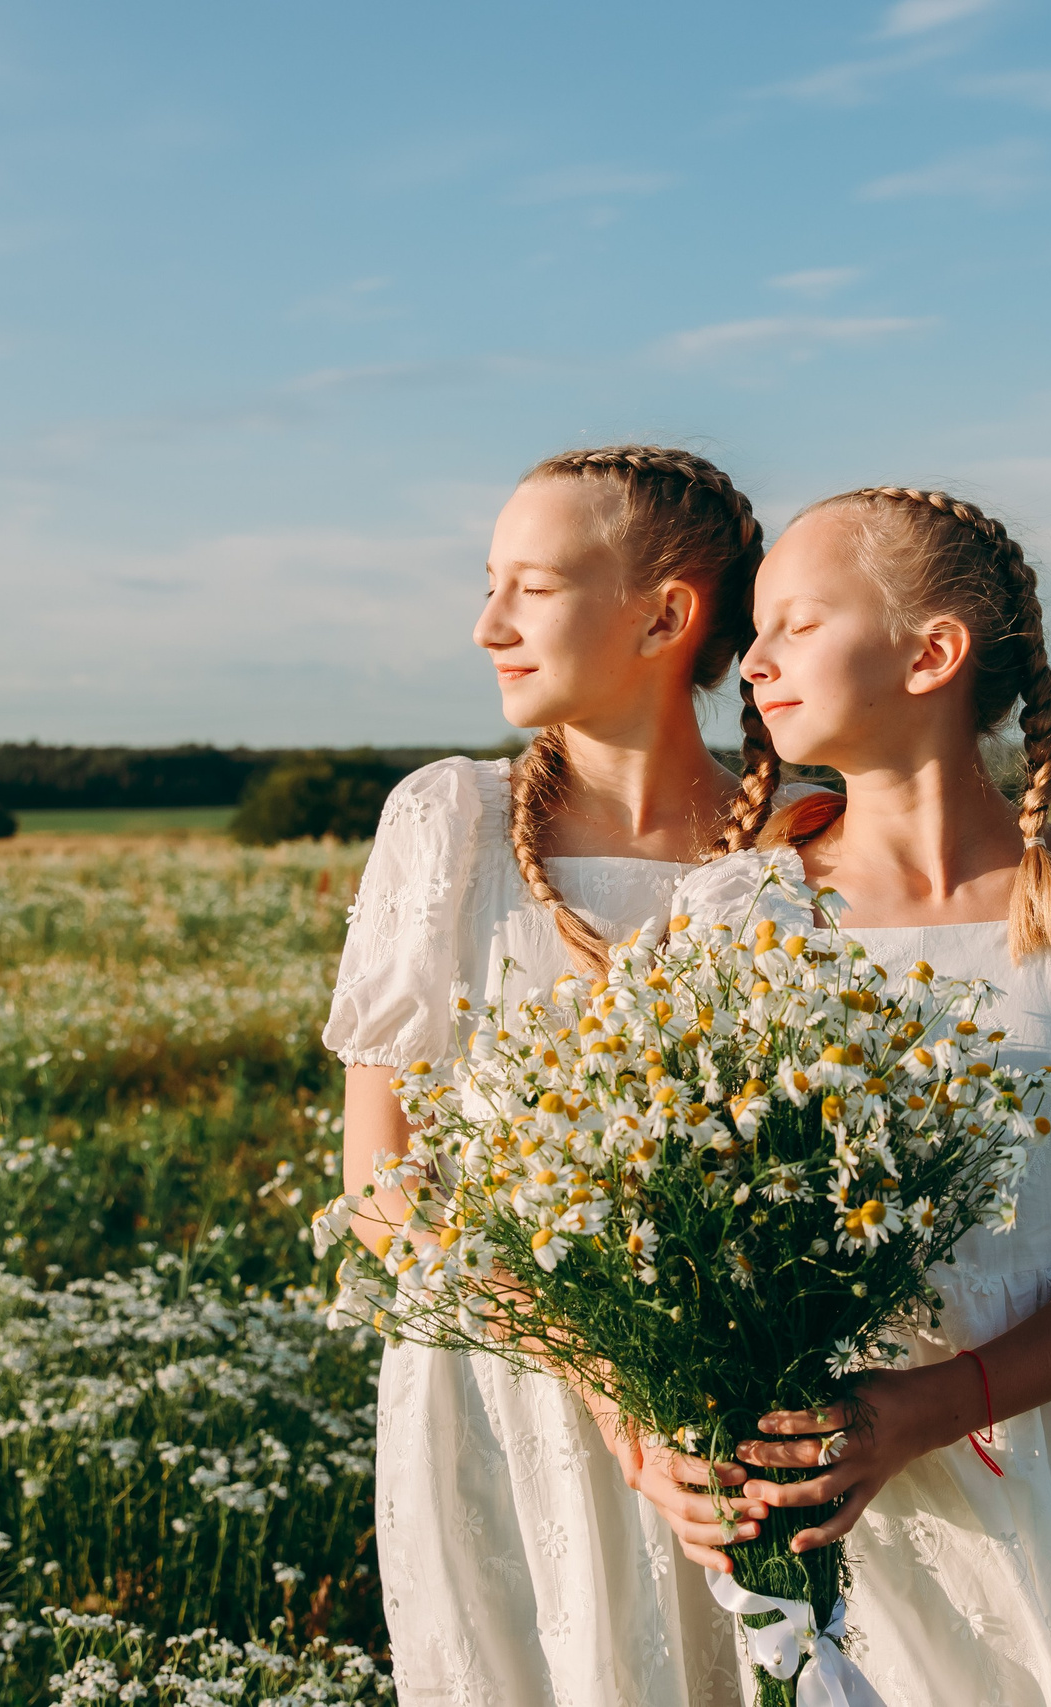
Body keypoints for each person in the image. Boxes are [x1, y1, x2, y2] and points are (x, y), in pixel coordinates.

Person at [646, 486, 1051, 1705]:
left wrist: (929, 1409)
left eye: (796, 625)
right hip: (824, 1497)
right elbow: (687, 1252)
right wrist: (664, 1436)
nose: (751, 662)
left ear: (931, 653)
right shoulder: (742, 917)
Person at [323, 446, 817, 1707]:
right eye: (491, 584)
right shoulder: (452, 824)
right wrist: (607, 1382)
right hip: (507, 1388)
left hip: (741, 1409)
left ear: (665, 614)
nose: (487, 625)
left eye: (530, 588)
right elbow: (381, 1188)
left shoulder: (809, 842)